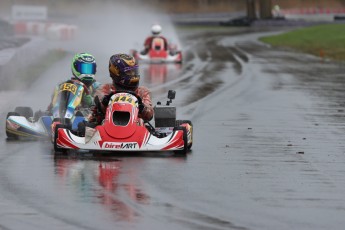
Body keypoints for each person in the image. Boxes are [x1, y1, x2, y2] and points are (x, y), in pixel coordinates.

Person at [92, 53, 153, 124]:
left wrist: (142, 108)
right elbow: (97, 109)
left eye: (134, 71)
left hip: (135, 128)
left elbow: (149, 115)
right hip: (108, 127)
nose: (133, 75)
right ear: (116, 72)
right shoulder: (105, 89)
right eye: (129, 72)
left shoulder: (142, 91)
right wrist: (105, 102)